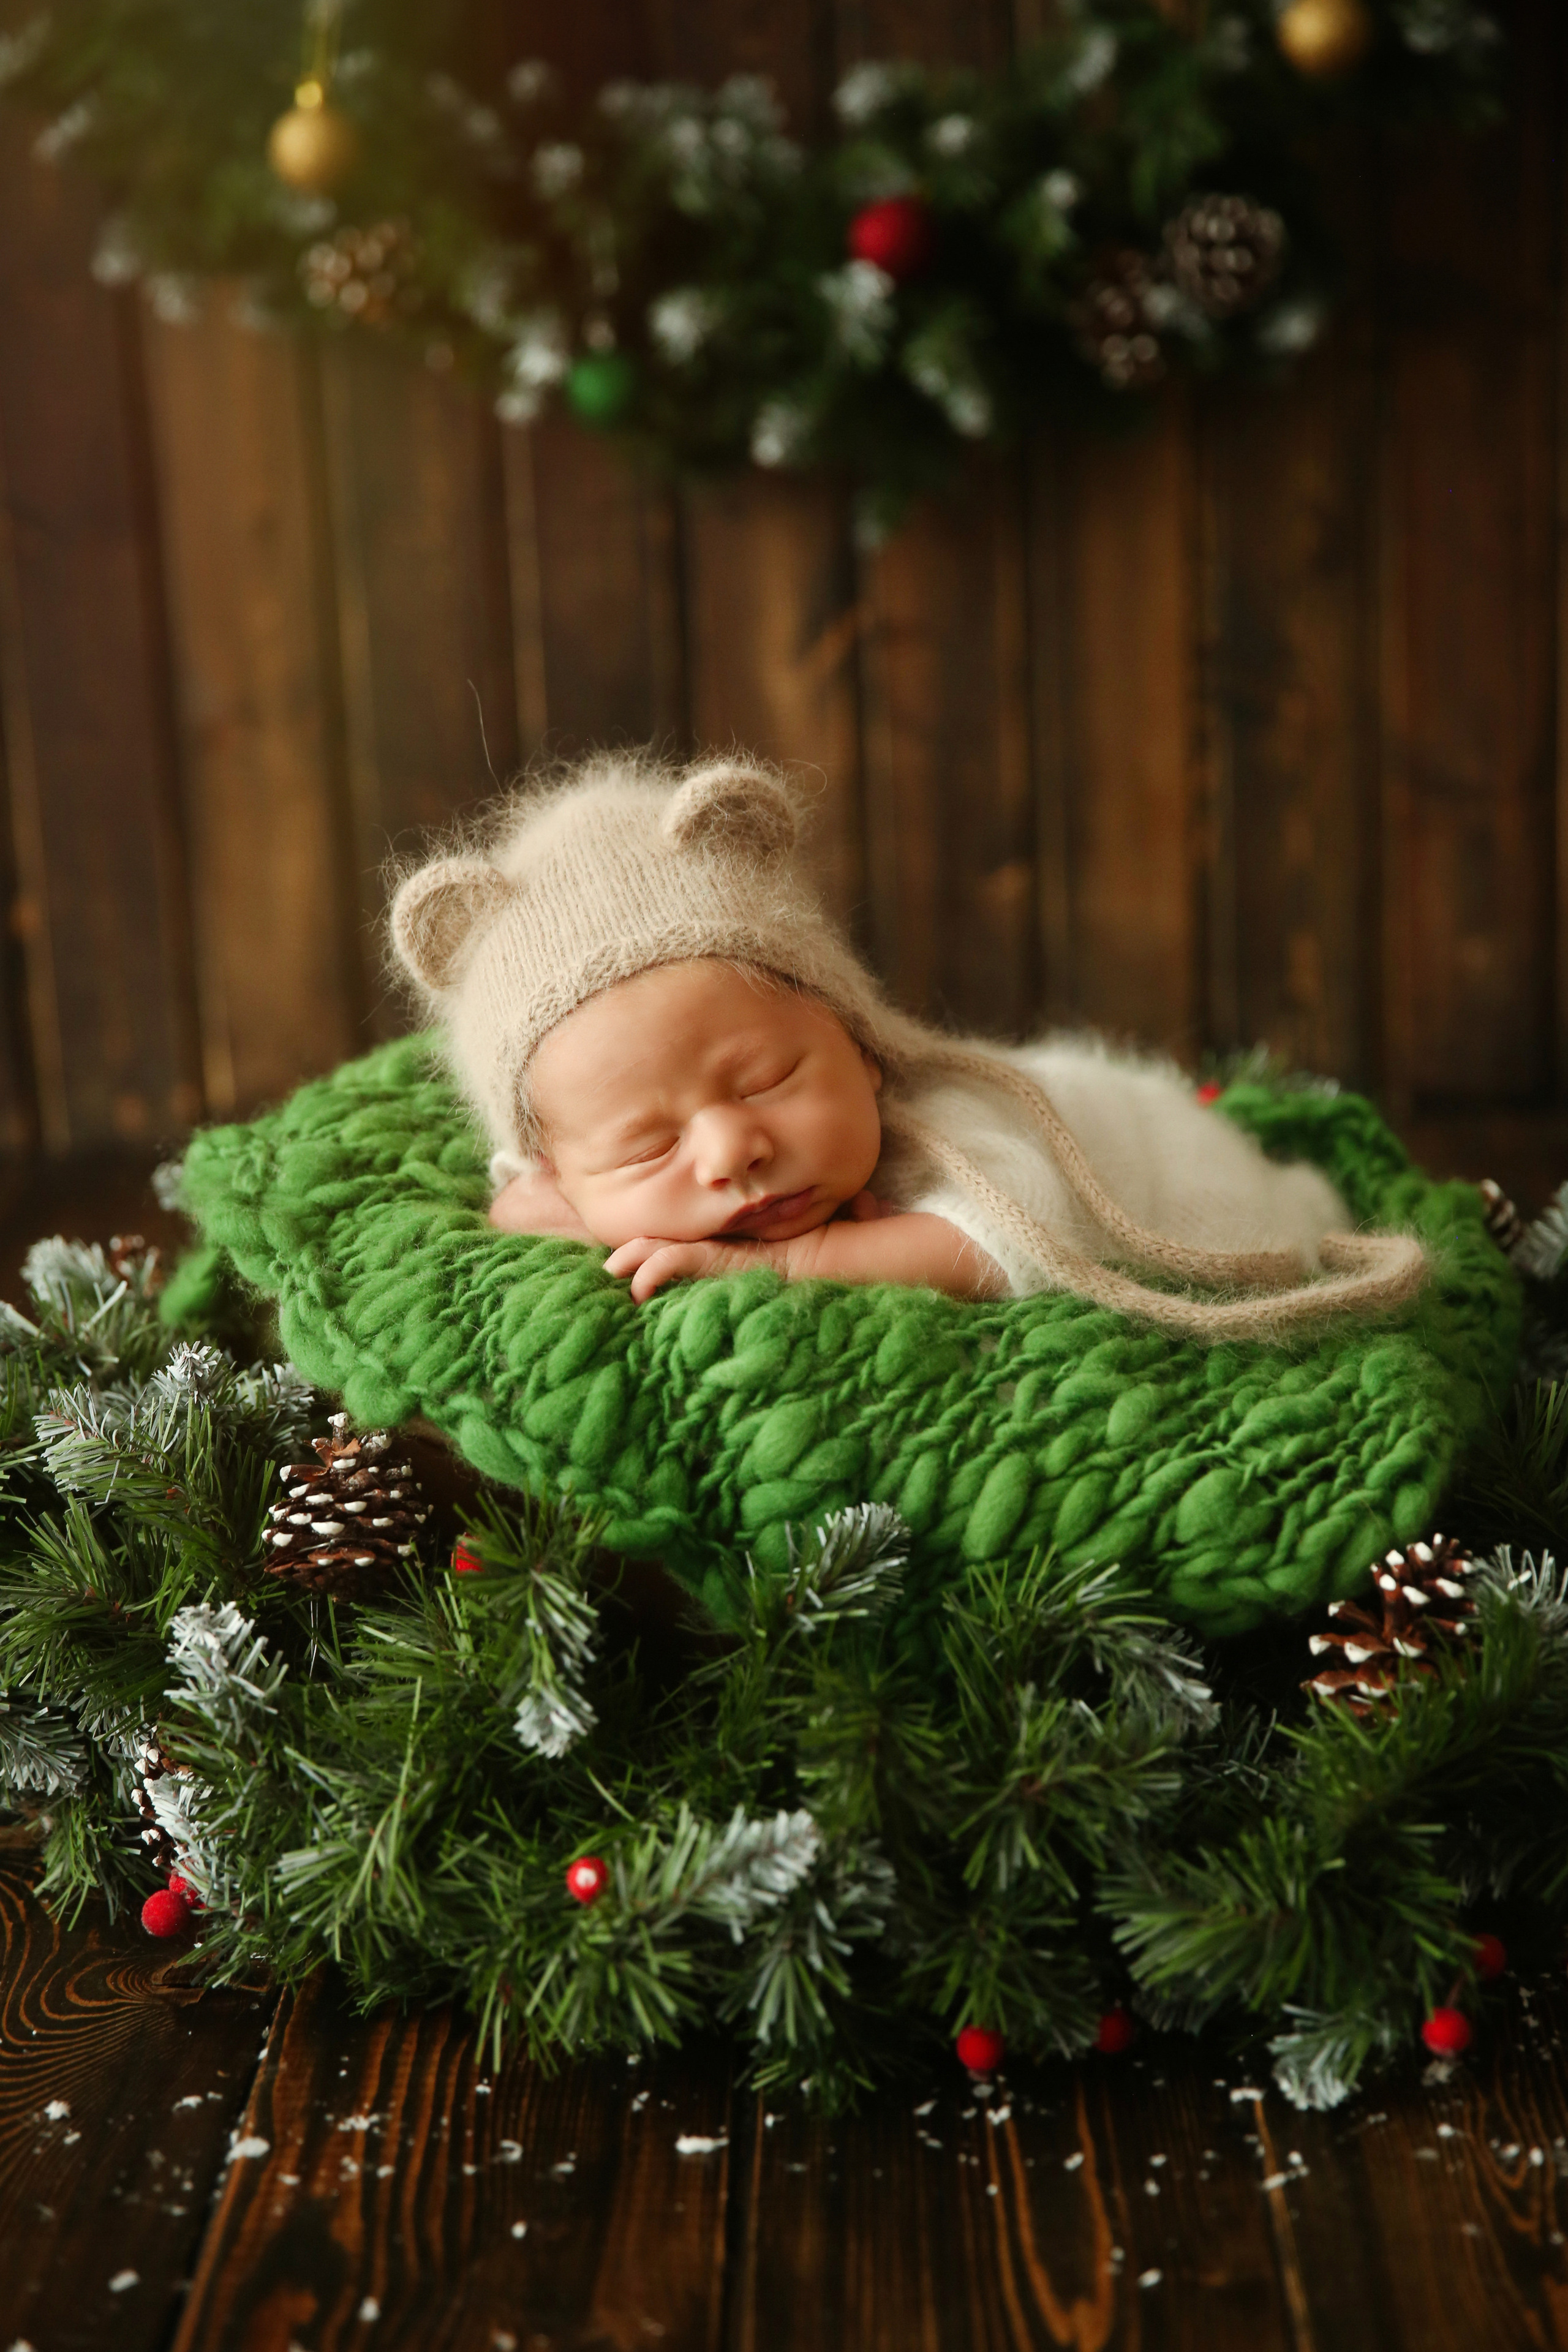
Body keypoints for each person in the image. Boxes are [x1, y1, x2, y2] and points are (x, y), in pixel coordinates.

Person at [389, 752, 1427, 1340]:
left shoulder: (944, 1134)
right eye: (647, 1148)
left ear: (864, 1047)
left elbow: (1006, 1241)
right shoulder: (563, 1170)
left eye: (767, 1080)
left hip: (1177, 1184)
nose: (728, 1152)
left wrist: (802, 1258)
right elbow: (526, 1197)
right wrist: (552, 1209)